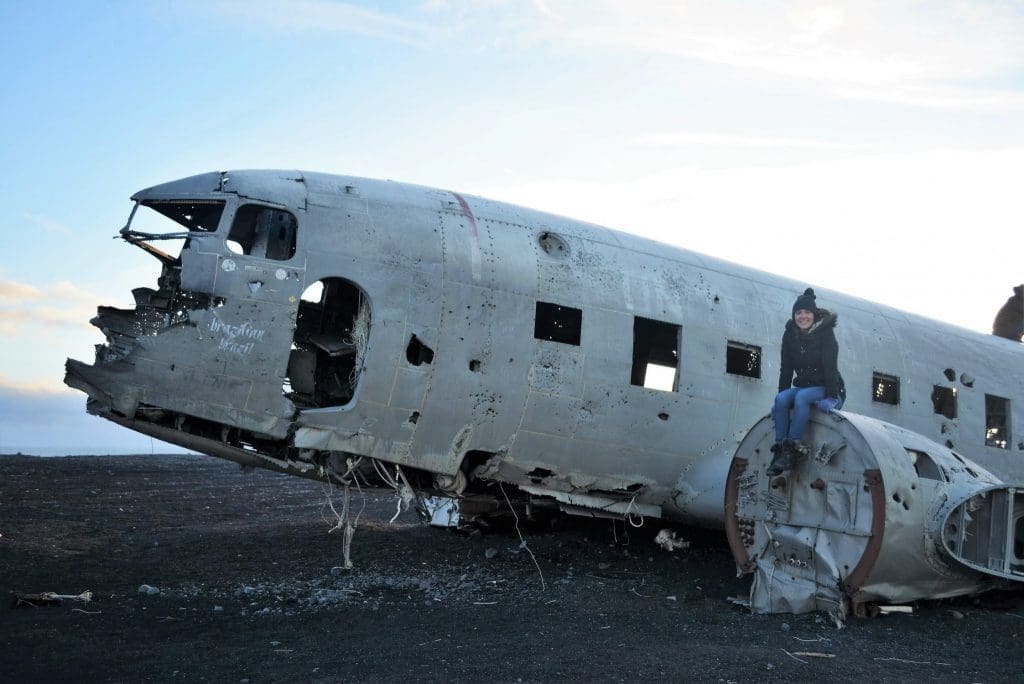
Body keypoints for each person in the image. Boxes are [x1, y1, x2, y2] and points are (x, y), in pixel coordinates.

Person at [768, 288, 845, 476]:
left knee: (802, 397)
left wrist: (832, 396)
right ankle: (780, 447)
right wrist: (780, 396)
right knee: (781, 400)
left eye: (807, 312)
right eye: (798, 313)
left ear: (814, 314)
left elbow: (830, 366)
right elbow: (786, 368)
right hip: (805, 386)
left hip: (828, 386)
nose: (803, 316)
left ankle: (793, 447)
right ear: (794, 315)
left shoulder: (825, 333)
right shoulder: (790, 335)